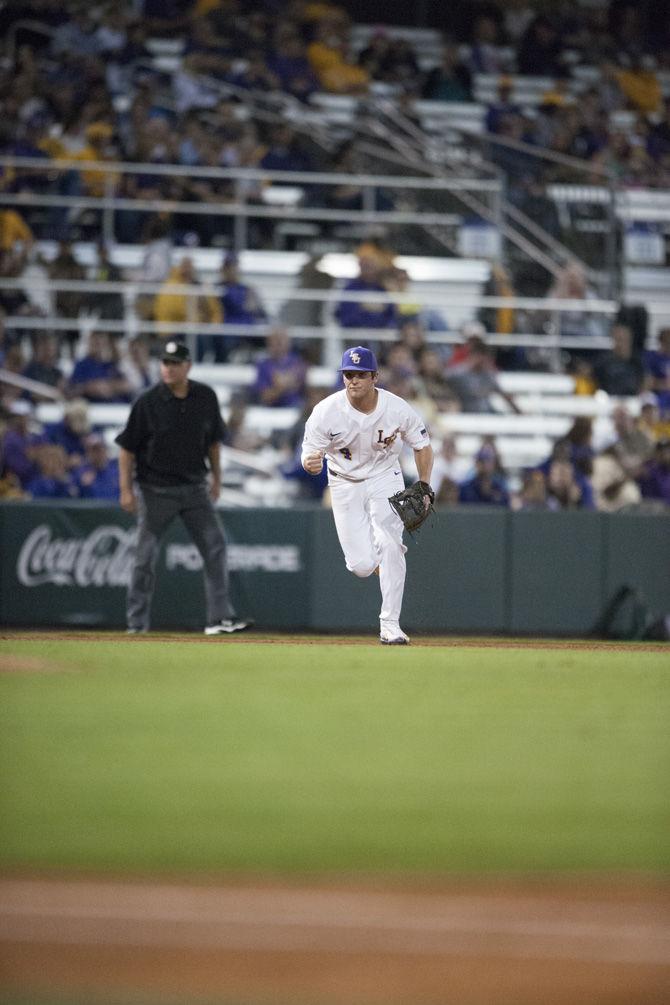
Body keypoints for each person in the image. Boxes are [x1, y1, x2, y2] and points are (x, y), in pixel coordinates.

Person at [115, 340, 252, 636]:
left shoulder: (205, 396)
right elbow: (126, 449)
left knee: (215, 548)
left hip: (194, 489)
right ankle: (136, 624)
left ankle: (218, 618)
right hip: (155, 491)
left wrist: (216, 479)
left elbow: (214, 442)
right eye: (165, 362)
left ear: (187, 366)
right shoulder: (148, 401)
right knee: (143, 558)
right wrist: (125, 490)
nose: (168, 368)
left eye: (175, 363)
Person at [301, 345, 433, 646]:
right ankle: (387, 562)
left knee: (390, 543)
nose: (353, 380)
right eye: (348, 374)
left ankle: (390, 625)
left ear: (375, 376)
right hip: (343, 482)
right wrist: (309, 463)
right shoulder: (326, 411)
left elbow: (422, 445)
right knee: (361, 565)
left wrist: (424, 484)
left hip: (385, 477)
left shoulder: (396, 407)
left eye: (360, 374)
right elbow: (309, 454)